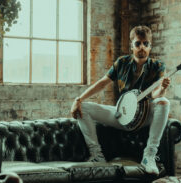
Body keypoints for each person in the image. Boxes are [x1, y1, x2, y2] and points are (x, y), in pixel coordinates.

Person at [70, 25, 171, 175]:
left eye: (146, 43)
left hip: (144, 117)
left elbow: (156, 94)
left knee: (164, 102)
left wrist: (162, 89)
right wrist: (78, 99)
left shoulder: (158, 66)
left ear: (150, 46)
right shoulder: (122, 62)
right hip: (122, 115)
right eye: (138, 43)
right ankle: (97, 156)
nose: (142, 47)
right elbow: (102, 83)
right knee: (83, 107)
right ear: (132, 46)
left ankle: (149, 156)